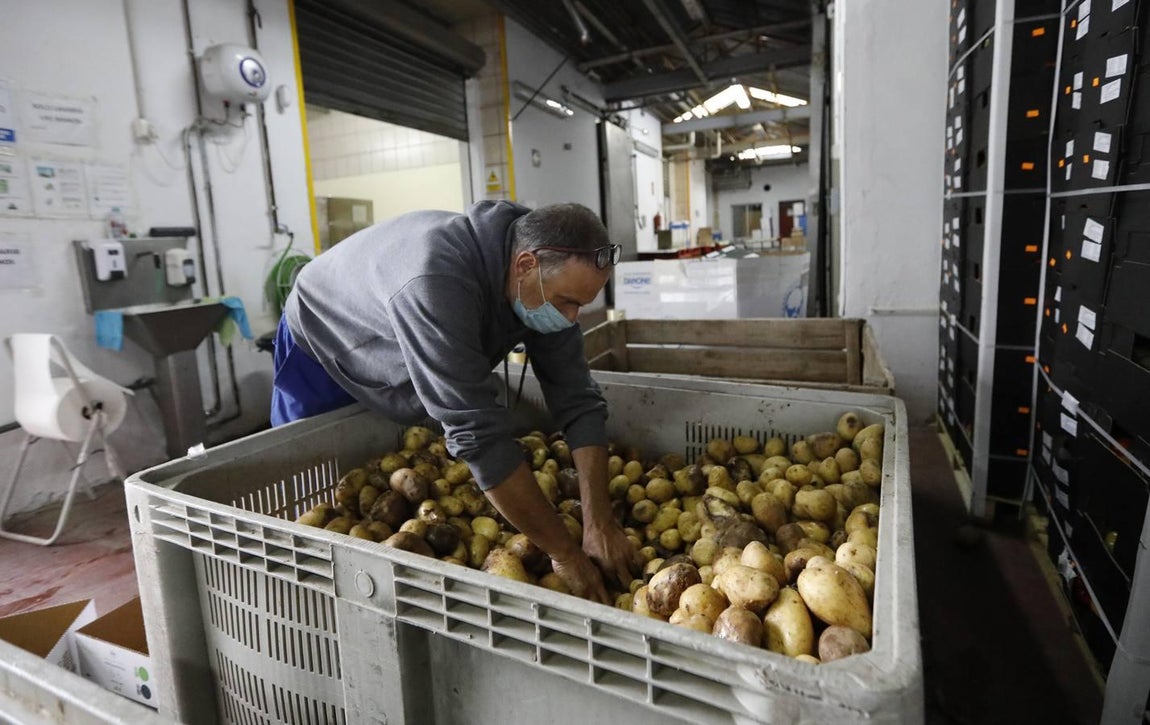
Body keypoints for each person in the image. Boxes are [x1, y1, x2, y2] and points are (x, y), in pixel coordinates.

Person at [271, 200, 637, 602]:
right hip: (322, 343)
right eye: (567, 302)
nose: (571, 318)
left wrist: (599, 522)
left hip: (399, 333)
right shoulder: (435, 281)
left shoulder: (540, 271)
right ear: (525, 266)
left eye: (580, 305)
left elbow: (578, 399)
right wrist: (564, 553)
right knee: (318, 502)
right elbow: (479, 438)